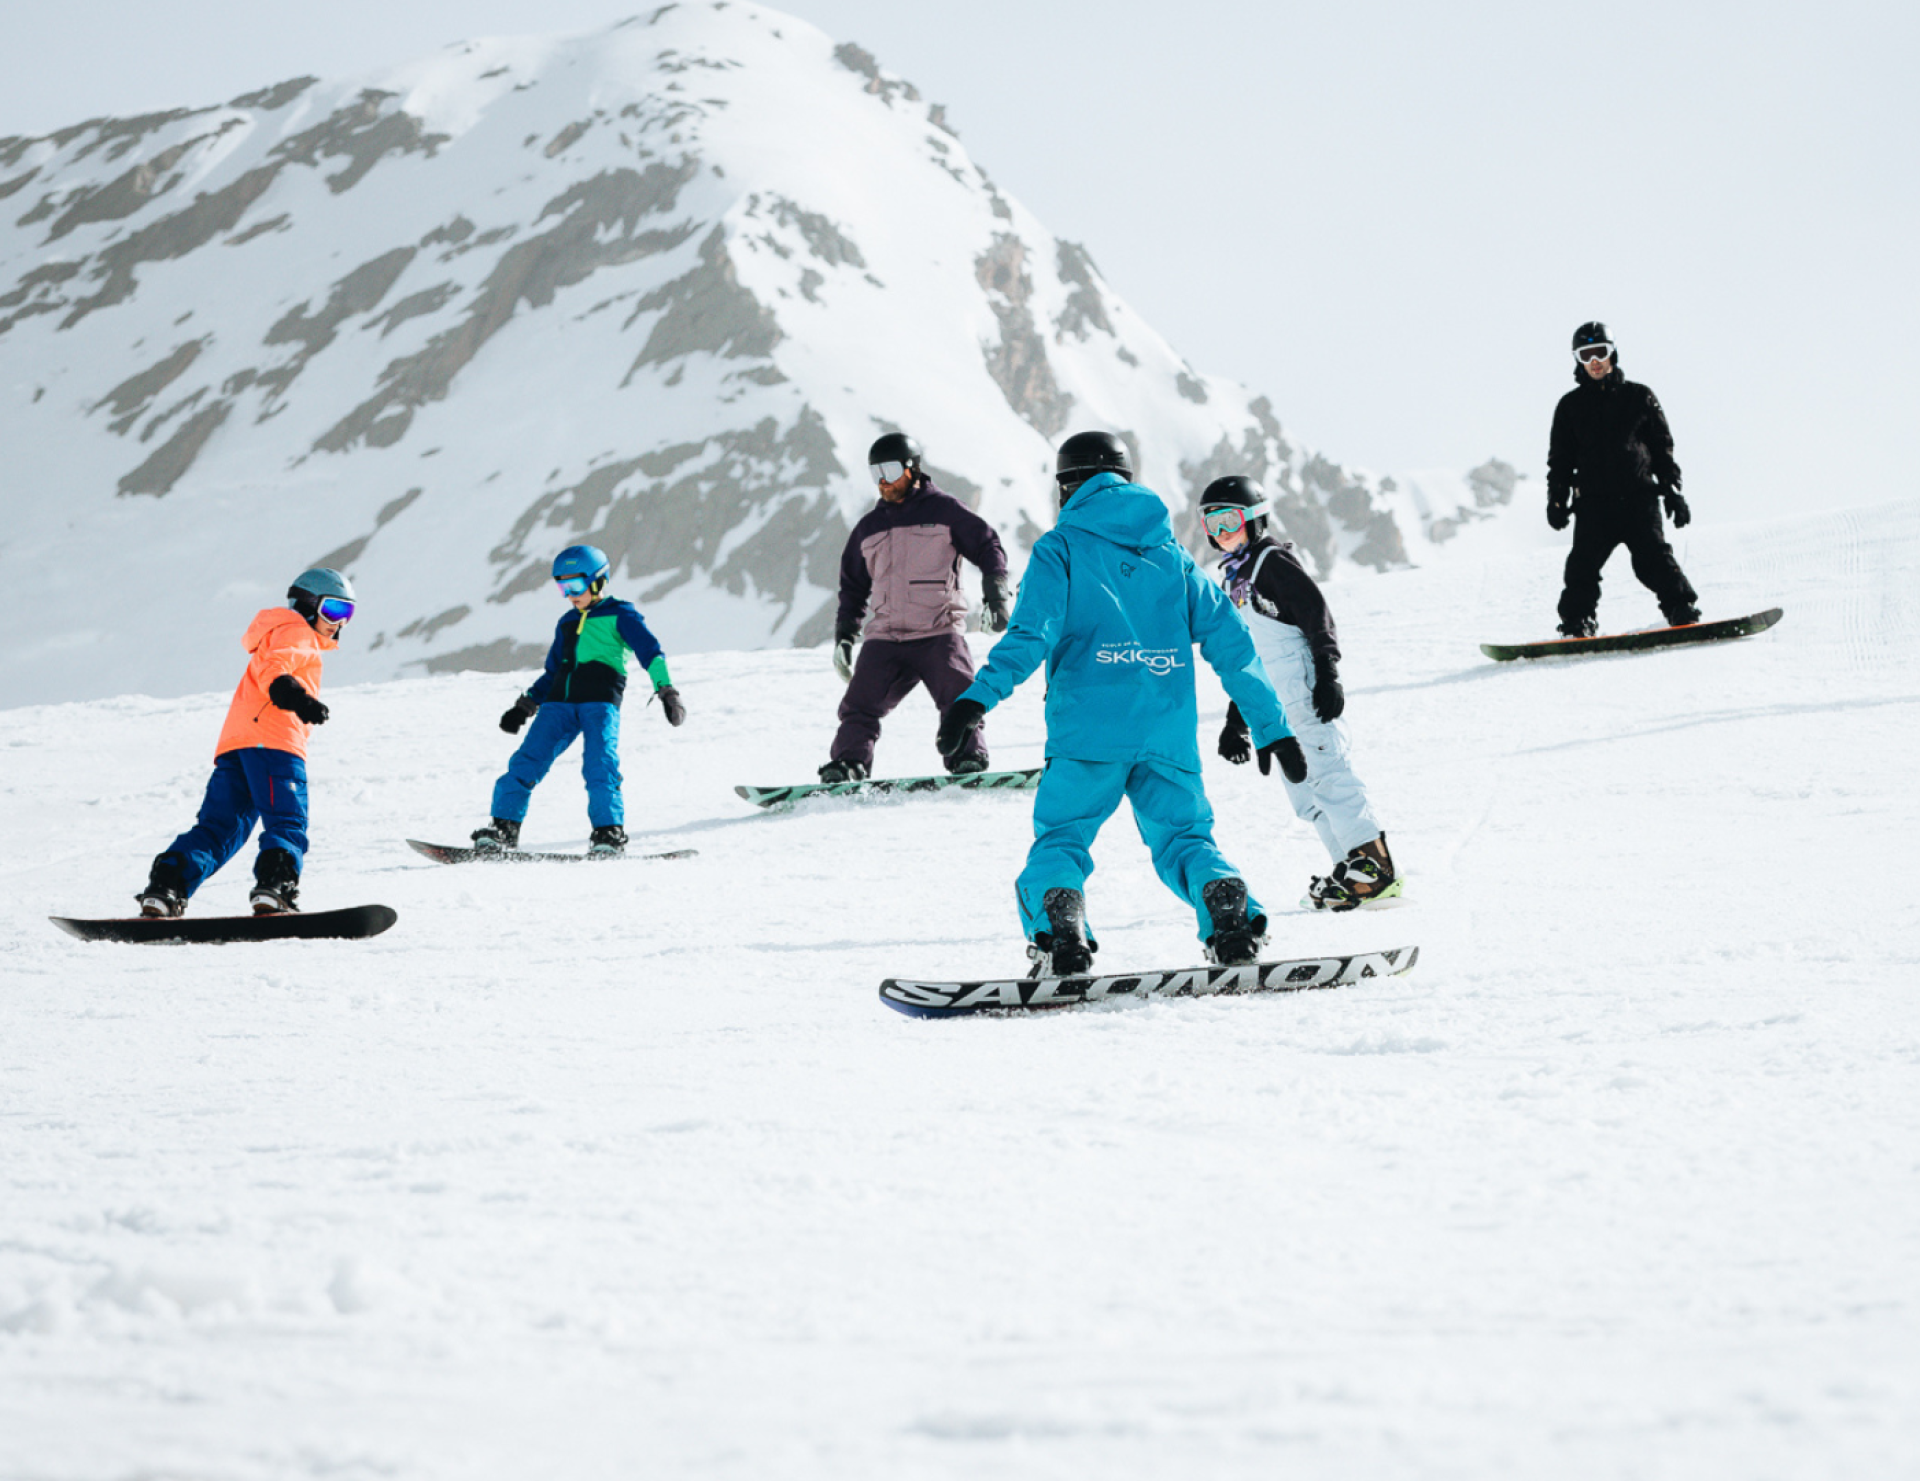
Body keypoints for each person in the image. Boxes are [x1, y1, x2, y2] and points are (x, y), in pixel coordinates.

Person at [935, 431, 1307, 975]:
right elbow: (1233, 645)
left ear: (1068, 486)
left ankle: (1060, 929)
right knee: (1185, 838)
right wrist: (1272, 727)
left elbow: (1029, 636)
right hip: (1166, 734)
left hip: (1087, 734)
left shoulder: (1059, 549)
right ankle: (1225, 908)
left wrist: (975, 700)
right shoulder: (1172, 557)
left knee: (1063, 838)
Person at [1200, 477, 1399, 911]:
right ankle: (1351, 871)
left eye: (1229, 521)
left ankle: (1376, 869)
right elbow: (1248, 661)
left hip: (1306, 698)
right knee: (1307, 797)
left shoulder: (1272, 563)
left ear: (1254, 520)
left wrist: (1328, 672)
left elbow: (1316, 613)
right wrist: (1238, 722)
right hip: (1275, 713)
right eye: (1211, 525)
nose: (1221, 534)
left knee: (1331, 778)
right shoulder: (1234, 581)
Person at [135, 568, 355, 917]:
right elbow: (276, 669)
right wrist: (296, 697)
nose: (340, 622)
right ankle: (275, 888)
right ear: (309, 604)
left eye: (348, 614)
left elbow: (269, 664)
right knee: (287, 823)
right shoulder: (297, 631)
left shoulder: (276, 631)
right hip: (275, 742)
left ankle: (166, 887)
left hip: (238, 744)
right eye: (334, 611)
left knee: (219, 828)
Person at [821, 432, 1011, 782]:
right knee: (858, 706)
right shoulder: (869, 528)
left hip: (938, 633)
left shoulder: (945, 511)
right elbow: (852, 588)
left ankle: (967, 759)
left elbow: (988, 547)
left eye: (890, 470)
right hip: (885, 639)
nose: (882, 480)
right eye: (875, 472)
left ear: (912, 469)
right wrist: (845, 637)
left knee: (960, 698)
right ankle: (848, 764)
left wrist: (996, 595)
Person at [470, 545, 684, 855]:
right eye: (562, 586)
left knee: (600, 765)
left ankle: (608, 833)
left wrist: (667, 691)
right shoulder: (567, 622)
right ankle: (503, 829)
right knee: (525, 762)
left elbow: (650, 653)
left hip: (600, 703)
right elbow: (553, 672)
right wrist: (524, 706)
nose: (570, 594)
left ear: (598, 581)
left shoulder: (621, 614)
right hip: (558, 705)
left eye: (575, 585)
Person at [1548, 321, 1700, 636]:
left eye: (1600, 352)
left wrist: (1673, 492)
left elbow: (1662, 450)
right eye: (1586, 354)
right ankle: (1578, 623)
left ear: (1612, 353)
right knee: (1581, 567)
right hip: (1593, 504)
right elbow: (1560, 460)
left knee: (1653, 560)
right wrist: (1557, 499)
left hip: (1638, 498)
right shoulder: (1570, 407)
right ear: (1577, 359)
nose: (1594, 361)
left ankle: (1681, 609)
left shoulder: (1639, 397)